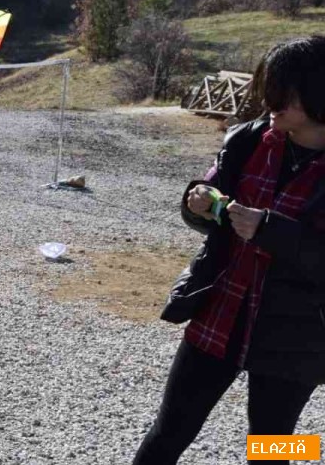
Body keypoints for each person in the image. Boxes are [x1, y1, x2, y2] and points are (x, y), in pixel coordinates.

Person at [134, 36, 325, 465]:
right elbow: (208, 198)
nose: (270, 101)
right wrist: (198, 203)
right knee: (169, 430)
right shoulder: (247, 140)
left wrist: (270, 230)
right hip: (220, 310)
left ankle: (306, 453)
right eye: (269, 86)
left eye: (284, 91)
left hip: (298, 336)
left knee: (273, 447)